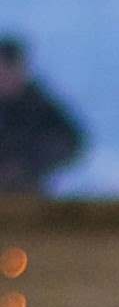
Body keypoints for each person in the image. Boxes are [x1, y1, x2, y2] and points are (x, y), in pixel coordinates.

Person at [0, 36, 87, 196]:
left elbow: (71, 142)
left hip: (25, 192)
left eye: (7, 71)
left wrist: (26, 163)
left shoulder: (39, 107)